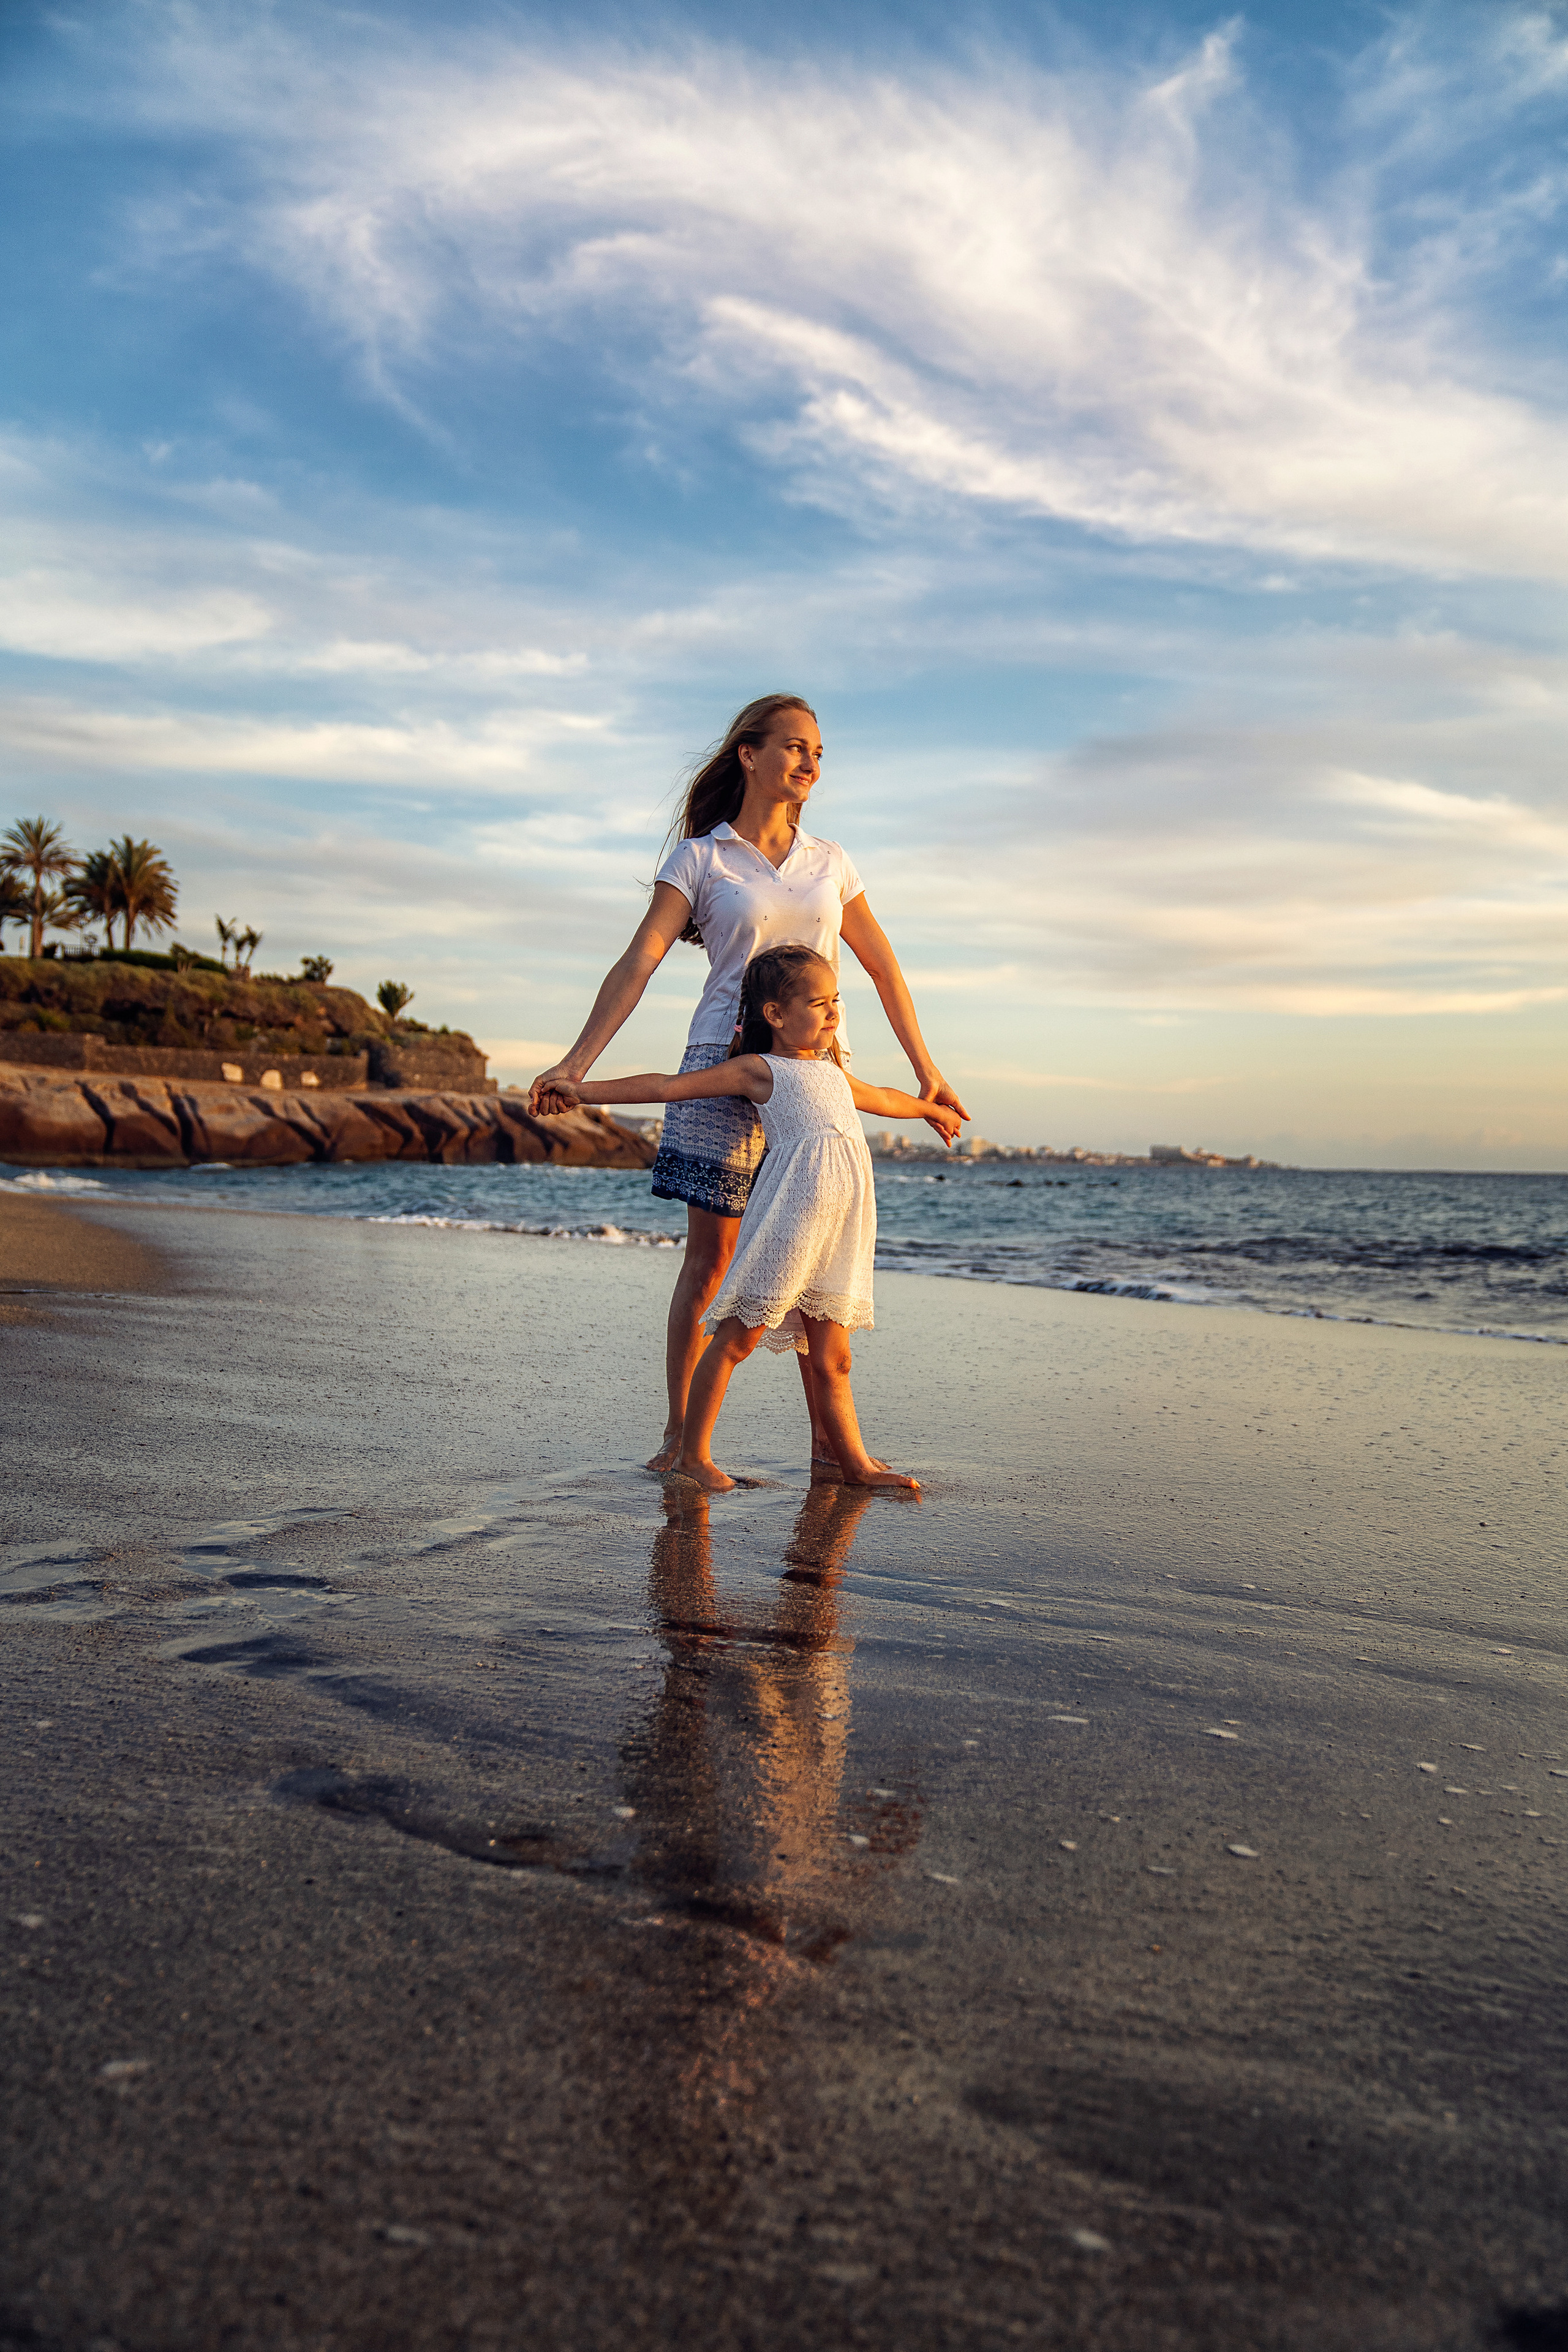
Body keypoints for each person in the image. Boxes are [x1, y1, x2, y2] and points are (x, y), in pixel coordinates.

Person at [525, 693, 969, 1473]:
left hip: (816, 1076)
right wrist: (577, 1064)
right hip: (720, 1066)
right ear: (749, 755)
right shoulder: (702, 859)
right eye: (796, 747)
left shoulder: (832, 861)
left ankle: (832, 1452)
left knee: (812, 1261)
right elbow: (641, 961)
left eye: (820, 753)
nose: (810, 763)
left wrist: (926, 1073)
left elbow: (882, 965)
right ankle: (680, 1441)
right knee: (711, 1260)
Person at [533, 942, 962, 1490]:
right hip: (790, 1221)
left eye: (837, 1001)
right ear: (776, 1015)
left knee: (835, 1358)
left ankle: (855, 1465)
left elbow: (884, 1097)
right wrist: (580, 1091)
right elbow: (667, 1087)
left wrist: (930, 1110)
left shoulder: (834, 1072)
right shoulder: (760, 1070)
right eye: (818, 1003)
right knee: (737, 1339)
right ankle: (693, 1455)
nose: (834, 1013)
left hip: (842, 1230)